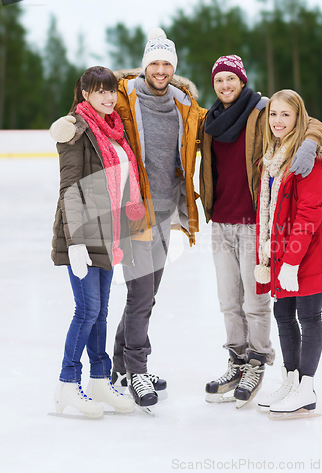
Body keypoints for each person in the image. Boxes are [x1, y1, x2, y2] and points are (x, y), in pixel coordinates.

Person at [50, 29, 207, 411]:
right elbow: (86, 110)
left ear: (174, 67)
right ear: (143, 64)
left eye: (167, 62)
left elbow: (220, 124)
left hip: (155, 212)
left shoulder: (184, 104)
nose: (160, 69)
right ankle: (134, 368)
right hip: (126, 219)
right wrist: (64, 123)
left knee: (144, 296)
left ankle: (114, 368)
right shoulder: (122, 99)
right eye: (153, 62)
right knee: (133, 298)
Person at [199, 55, 322, 408]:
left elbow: (308, 120)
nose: (225, 86)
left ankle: (257, 362)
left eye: (231, 79)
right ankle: (237, 362)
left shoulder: (262, 110)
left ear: (242, 81)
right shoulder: (208, 119)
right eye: (219, 80)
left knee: (254, 303)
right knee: (228, 301)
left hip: (255, 222)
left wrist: (308, 143)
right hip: (221, 221)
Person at [51, 66, 145, 418]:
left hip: (108, 234)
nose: (108, 97)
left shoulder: (114, 131)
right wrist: (75, 242)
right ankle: (66, 385)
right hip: (83, 236)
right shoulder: (75, 130)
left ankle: (100, 381)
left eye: (112, 90)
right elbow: (69, 190)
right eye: (100, 90)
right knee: (87, 310)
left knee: (101, 312)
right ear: (85, 93)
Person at [254, 89, 322, 419]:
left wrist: (291, 259)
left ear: (298, 119)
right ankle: (290, 380)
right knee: (282, 315)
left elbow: (309, 213)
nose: (278, 121)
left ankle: (306, 389)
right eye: (273, 114)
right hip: (284, 251)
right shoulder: (274, 155)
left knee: (308, 317)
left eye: (285, 115)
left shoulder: (310, 159)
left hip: (309, 253)